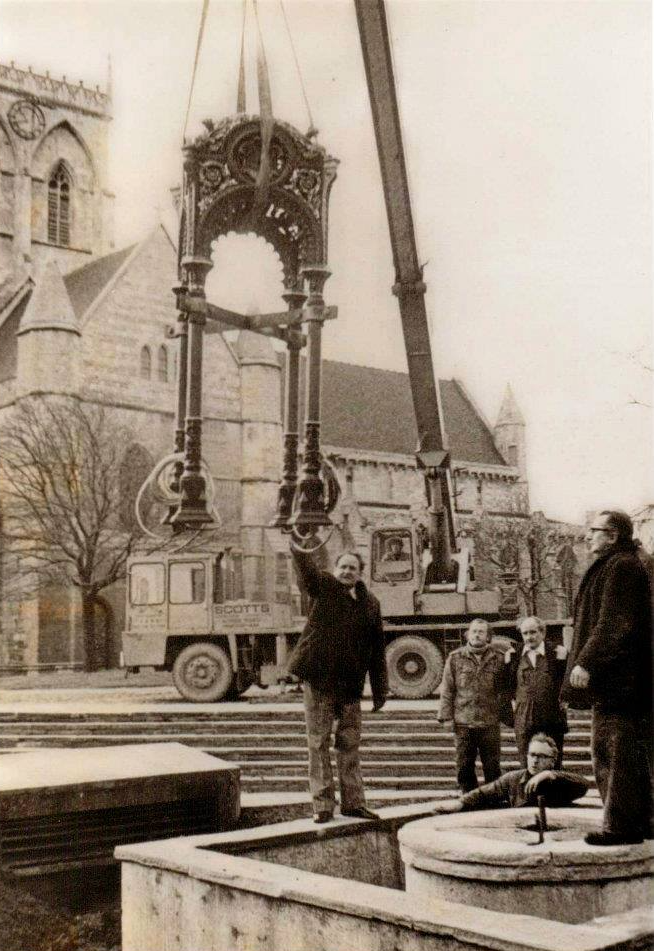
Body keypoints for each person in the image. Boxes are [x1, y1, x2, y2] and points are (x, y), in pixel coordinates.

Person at [560, 510, 652, 846]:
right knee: (619, 751)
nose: (588, 536)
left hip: (620, 683)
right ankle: (641, 821)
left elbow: (614, 624)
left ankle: (621, 827)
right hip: (622, 682)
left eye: (594, 531)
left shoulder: (621, 566)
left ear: (612, 536)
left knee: (612, 752)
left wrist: (586, 663)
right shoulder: (618, 564)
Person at [287, 544, 388, 824]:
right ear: (334, 571)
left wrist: (380, 689)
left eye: (352, 568)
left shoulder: (371, 604)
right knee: (318, 743)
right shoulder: (326, 588)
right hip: (319, 681)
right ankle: (322, 806)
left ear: (360, 574)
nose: (346, 571)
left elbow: (377, 649)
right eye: (342, 567)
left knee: (350, 744)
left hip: (351, 686)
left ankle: (354, 804)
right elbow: (308, 573)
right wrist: (299, 544)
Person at [430, 733, 589, 813]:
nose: (535, 761)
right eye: (532, 755)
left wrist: (548, 775)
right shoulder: (514, 779)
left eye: (541, 757)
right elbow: (485, 793)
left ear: (552, 761)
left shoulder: (559, 782)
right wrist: (460, 803)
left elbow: (583, 784)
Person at [438, 618, 509, 792]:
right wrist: (446, 718)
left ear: (488, 637)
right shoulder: (455, 658)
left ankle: (494, 799)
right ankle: (467, 799)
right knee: (464, 766)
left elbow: (505, 689)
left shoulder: (498, 658)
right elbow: (447, 690)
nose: (477, 635)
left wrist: (506, 716)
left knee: (492, 767)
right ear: (468, 634)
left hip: (489, 722)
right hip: (464, 722)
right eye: (474, 631)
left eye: (481, 632)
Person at [506, 616, 569, 768]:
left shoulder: (557, 653)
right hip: (524, 718)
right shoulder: (513, 655)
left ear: (543, 633)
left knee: (553, 763)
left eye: (533, 632)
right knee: (526, 763)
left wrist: (564, 701)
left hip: (551, 716)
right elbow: (506, 685)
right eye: (525, 633)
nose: (529, 637)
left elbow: (565, 681)